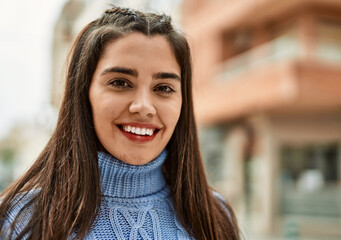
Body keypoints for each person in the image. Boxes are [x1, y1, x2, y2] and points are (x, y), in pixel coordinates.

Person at [0, 6, 240, 240]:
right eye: (120, 83)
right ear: (84, 93)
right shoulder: (20, 220)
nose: (144, 106)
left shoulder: (215, 216)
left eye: (164, 88)